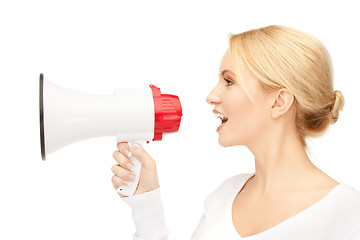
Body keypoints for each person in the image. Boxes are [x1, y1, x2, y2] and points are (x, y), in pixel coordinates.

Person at [110, 25, 360, 240]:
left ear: (279, 102)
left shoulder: (347, 212)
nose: (211, 96)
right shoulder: (224, 197)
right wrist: (147, 202)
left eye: (229, 81)